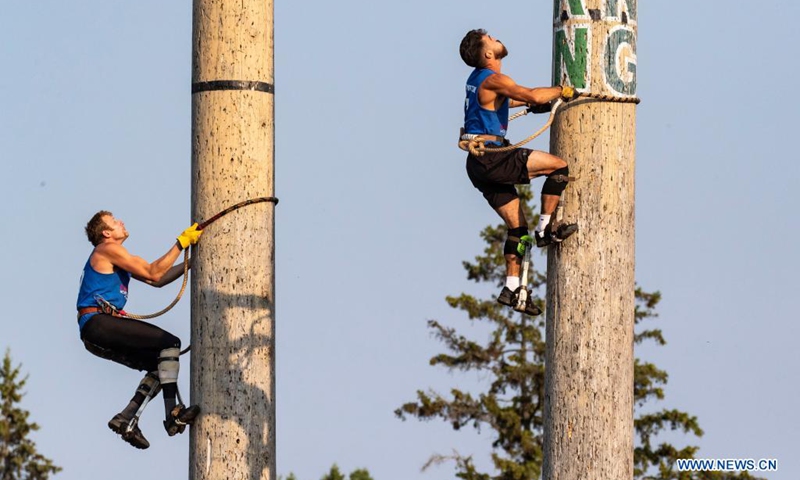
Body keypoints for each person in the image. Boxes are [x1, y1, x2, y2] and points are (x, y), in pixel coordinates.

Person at [460, 29, 579, 316]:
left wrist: (534, 104)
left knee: (516, 229)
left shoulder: (477, 81)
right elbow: (529, 94)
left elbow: (512, 101)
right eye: (491, 38)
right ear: (488, 54)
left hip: (479, 165)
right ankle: (545, 229)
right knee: (558, 166)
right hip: (493, 156)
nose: (496, 37)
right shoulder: (493, 78)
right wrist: (562, 91)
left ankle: (512, 288)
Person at [76, 211, 203, 449]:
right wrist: (180, 243)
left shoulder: (113, 257)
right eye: (114, 221)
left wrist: (193, 262)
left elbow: (158, 280)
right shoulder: (108, 248)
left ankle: (126, 417)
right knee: (170, 343)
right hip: (98, 322)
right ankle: (172, 415)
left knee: (160, 366)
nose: (121, 222)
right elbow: (153, 272)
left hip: (93, 331)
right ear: (106, 233)